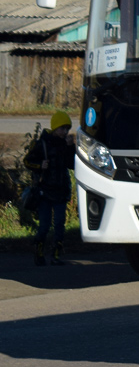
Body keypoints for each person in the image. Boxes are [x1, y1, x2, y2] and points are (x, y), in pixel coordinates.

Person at [24, 111, 74, 266]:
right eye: (62, 128)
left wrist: (71, 148)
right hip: (45, 192)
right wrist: (40, 165)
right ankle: (39, 253)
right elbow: (27, 161)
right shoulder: (43, 144)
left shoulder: (65, 145)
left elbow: (71, 165)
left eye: (67, 129)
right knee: (44, 226)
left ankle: (56, 255)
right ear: (54, 128)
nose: (64, 132)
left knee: (59, 225)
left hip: (61, 192)